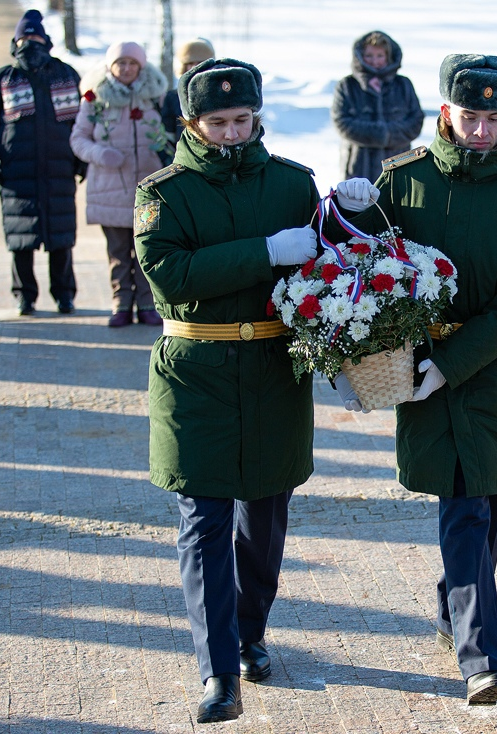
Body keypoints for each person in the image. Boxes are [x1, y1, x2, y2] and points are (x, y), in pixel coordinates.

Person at [333, 54, 497, 706]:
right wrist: (353, 215)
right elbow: (371, 266)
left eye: (494, 116)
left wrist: (451, 367)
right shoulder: (404, 178)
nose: (482, 129)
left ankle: (450, 604)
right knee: (462, 506)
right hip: (420, 361)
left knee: (486, 508)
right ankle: (481, 658)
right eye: (470, 116)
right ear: (444, 112)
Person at [133, 58, 319, 724]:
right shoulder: (165, 192)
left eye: (243, 120)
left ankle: (249, 632)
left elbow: (327, 273)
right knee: (204, 521)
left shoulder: (294, 183)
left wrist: (357, 220)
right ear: (192, 123)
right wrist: (267, 250)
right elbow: (170, 276)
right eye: (218, 123)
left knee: (263, 520)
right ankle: (217, 669)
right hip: (197, 369)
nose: (233, 133)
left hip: (272, 368)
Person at [0, 9, 84, 316]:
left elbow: (84, 120)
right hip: (16, 172)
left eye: (35, 36)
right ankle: (25, 296)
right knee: (20, 239)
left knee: (60, 237)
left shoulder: (65, 74)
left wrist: (83, 161)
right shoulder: (4, 78)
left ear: (46, 40)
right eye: (24, 38)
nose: (30, 43)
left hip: (59, 168)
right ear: (15, 43)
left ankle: (64, 295)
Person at [71, 41, 167, 327]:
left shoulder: (156, 97)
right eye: (120, 63)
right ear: (110, 67)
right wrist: (101, 154)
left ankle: (148, 304)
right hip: (109, 190)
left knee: (147, 250)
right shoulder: (94, 98)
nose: (126, 69)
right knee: (118, 252)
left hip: (150, 191)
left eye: (132, 63)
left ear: (142, 66)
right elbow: (78, 139)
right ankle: (121, 303)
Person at [331, 30, 424, 183]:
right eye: (369, 55)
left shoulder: (403, 85)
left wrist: (389, 135)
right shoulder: (347, 86)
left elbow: (416, 121)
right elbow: (341, 122)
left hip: (399, 166)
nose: (375, 61)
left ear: (388, 57)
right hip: (358, 167)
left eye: (380, 56)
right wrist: (380, 135)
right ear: (360, 57)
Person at [160, 38, 215, 160]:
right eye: (190, 63)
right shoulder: (173, 97)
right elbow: (167, 135)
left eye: (201, 62)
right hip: (184, 159)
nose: (195, 67)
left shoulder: (220, 94)